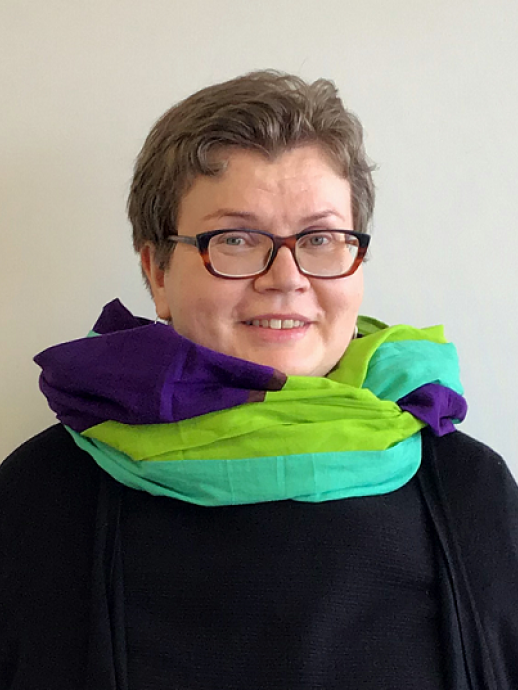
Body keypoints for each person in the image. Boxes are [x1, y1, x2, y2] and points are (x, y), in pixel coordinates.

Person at [1, 71, 517, 690]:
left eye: (320, 238)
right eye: (237, 239)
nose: (286, 277)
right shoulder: (38, 501)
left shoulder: (471, 493)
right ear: (157, 272)